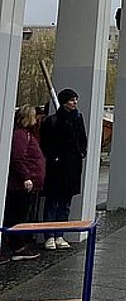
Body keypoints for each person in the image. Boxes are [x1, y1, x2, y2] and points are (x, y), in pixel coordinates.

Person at [39, 87, 88, 250]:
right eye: (72, 100)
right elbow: (45, 144)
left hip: (72, 168)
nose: (75, 102)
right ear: (64, 102)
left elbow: (82, 139)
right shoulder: (51, 121)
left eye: (75, 99)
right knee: (52, 202)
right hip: (56, 168)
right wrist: (54, 158)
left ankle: (59, 234)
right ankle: (49, 235)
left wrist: (81, 153)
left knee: (65, 203)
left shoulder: (78, 119)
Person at [4, 106, 45, 261]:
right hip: (21, 184)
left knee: (20, 214)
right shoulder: (21, 135)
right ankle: (17, 246)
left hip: (27, 182)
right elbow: (18, 158)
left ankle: (18, 244)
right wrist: (26, 177)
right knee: (16, 215)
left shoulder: (26, 134)